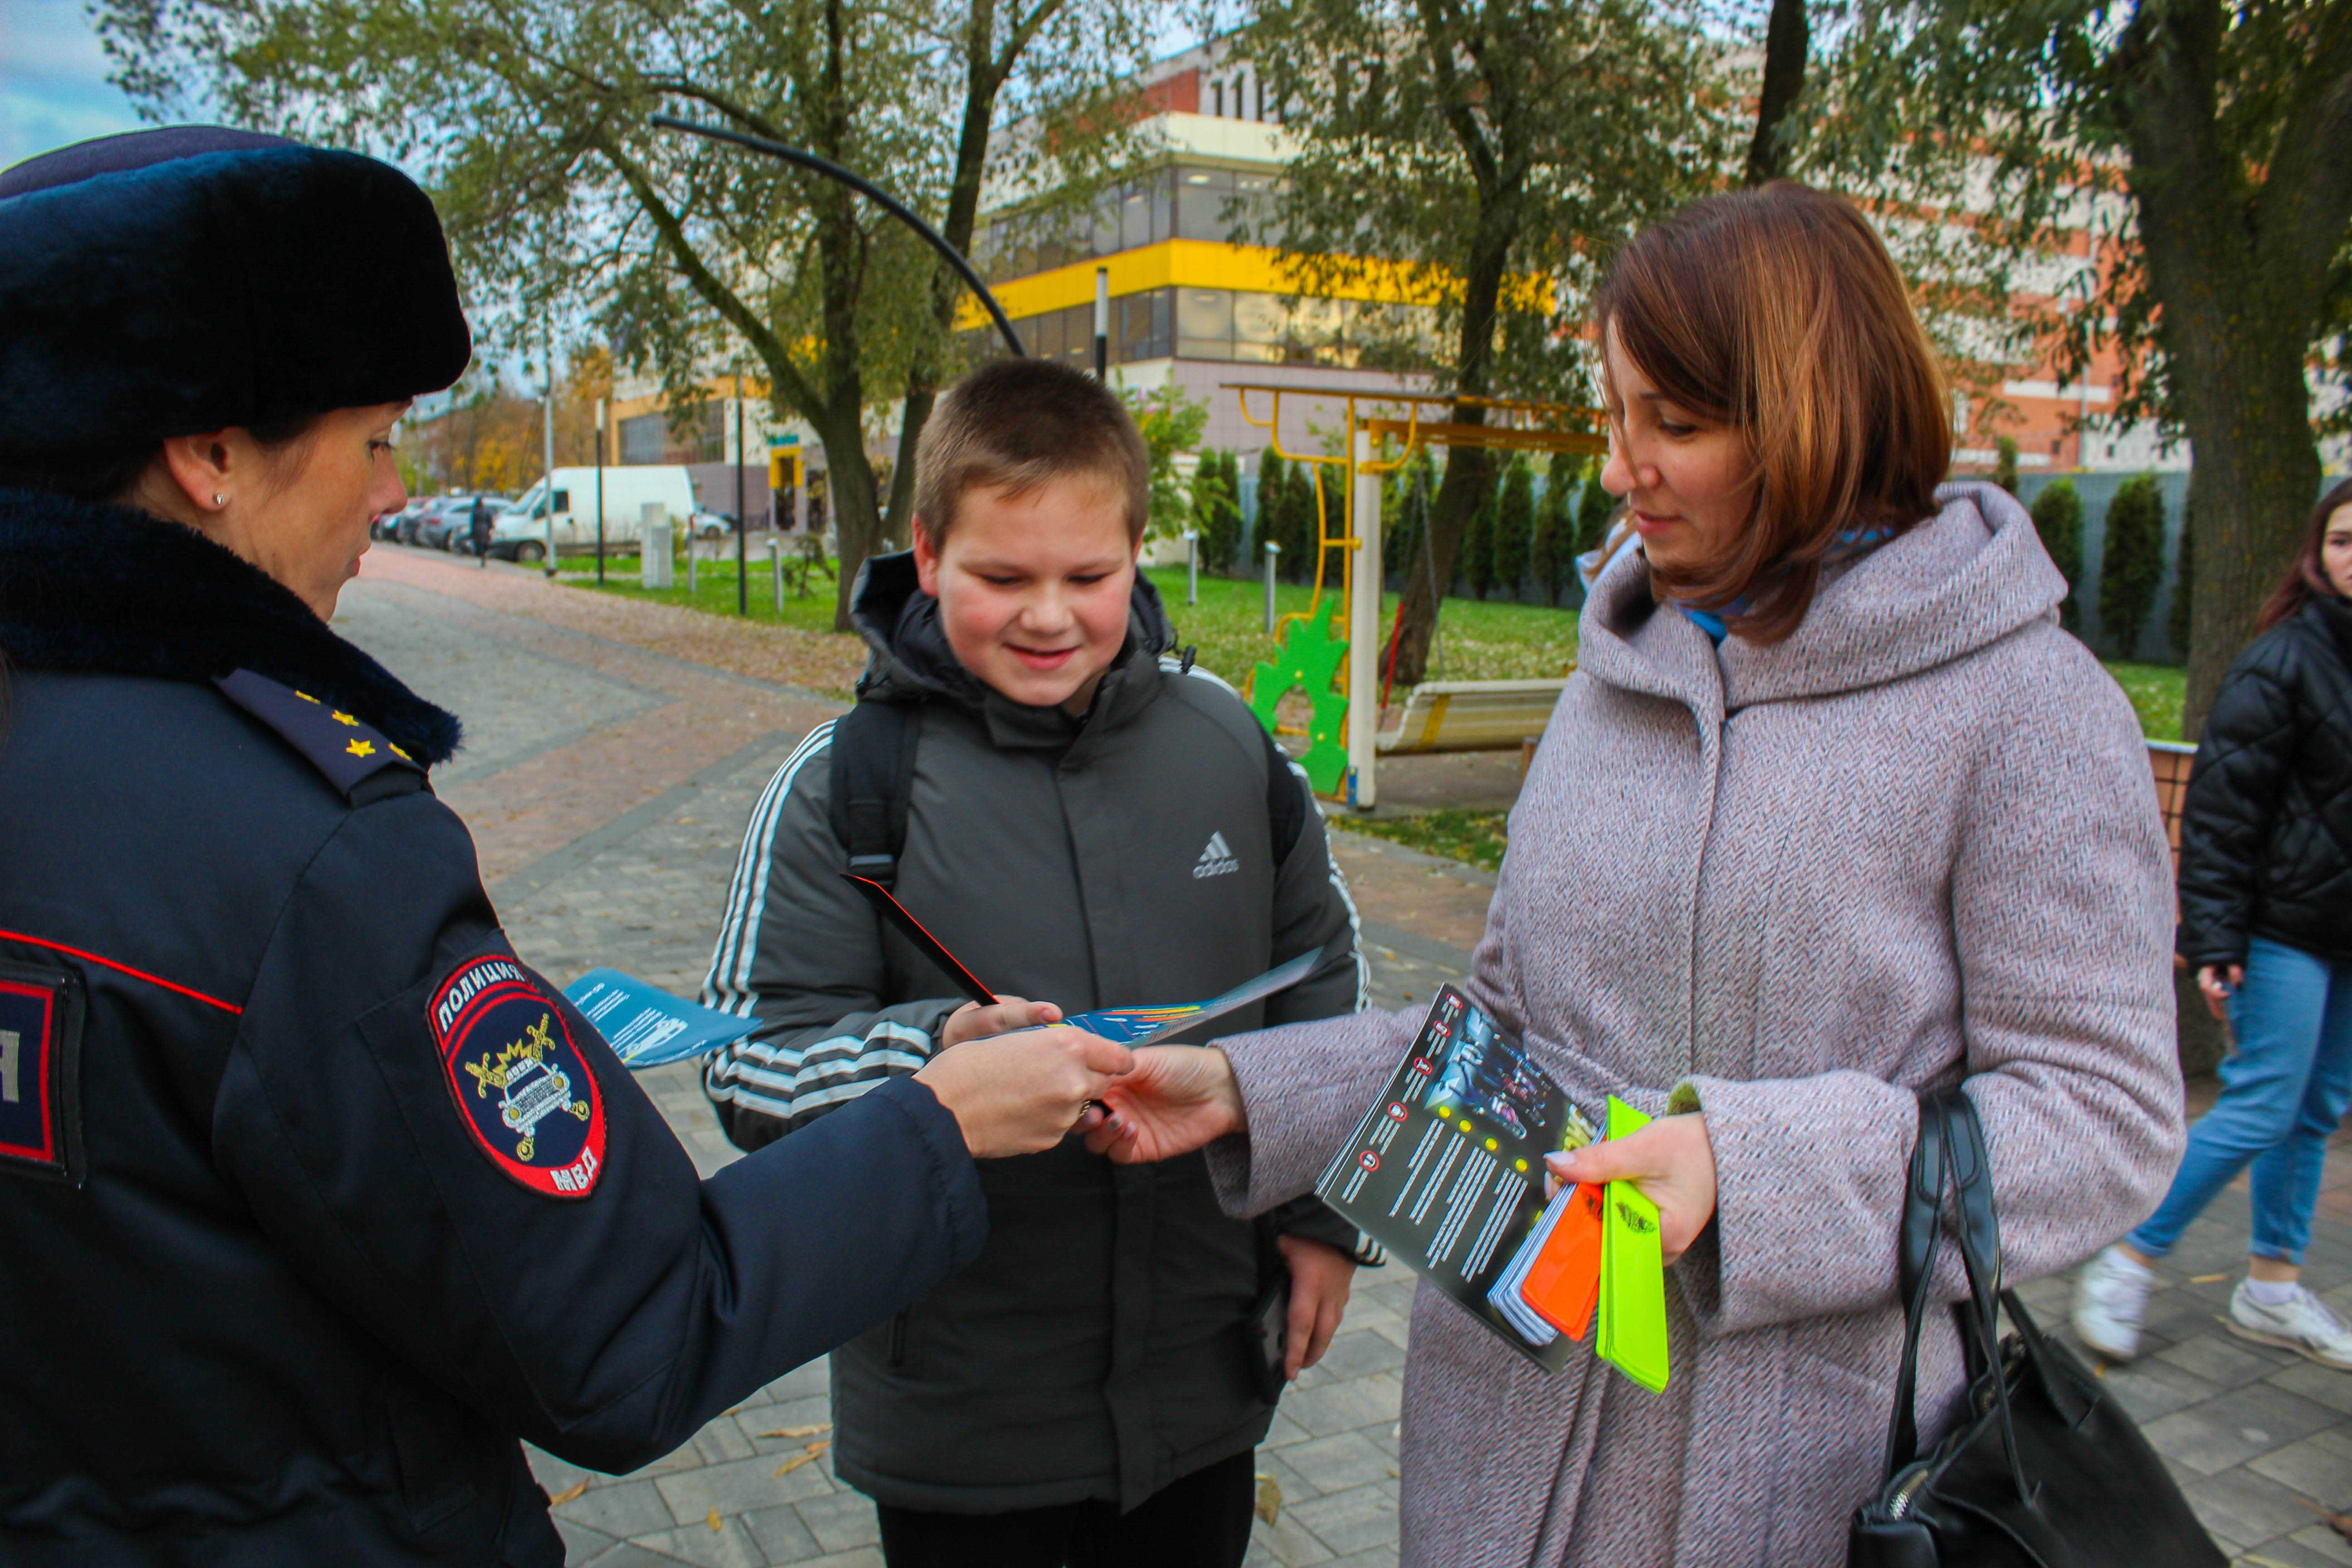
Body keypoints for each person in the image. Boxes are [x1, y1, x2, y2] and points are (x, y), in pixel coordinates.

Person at [0, 127, 1129, 1567]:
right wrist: (946, 1122)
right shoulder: (312, 854)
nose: (393, 496)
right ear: (212, 452)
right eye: (376, 438)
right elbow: (626, 1326)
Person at [1075, 182, 2185, 1567]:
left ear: (1816, 415)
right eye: (1615, 417)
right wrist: (1250, 1088)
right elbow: (1505, 1036)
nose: (1619, 470)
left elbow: (2105, 1115)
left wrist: (1746, 1168)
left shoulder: (2025, 709)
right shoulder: (1620, 677)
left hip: (1788, 1477)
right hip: (1506, 1442)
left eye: (1677, 424)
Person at [700, 356, 1369, 1568]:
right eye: (1003, 576)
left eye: (1090, 576)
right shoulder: (843, 787)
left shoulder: (1226, 744)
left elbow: (1322, 976)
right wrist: (933, 1063)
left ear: (1138, 550)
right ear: (927, 548)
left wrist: (1323, 1217)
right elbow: (748, 1072)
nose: (1049, 615)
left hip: (1203, 1385)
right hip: (962, 1417)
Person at [2073, 478, 2352, 1369]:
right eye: (2346, 540)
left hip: (2347, 937)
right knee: (2265, 1101)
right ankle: (2127, 1256)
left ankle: (2272, 1287)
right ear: (2318, 553)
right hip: (2284, 931)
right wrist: (2217, 939)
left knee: (2315, 1111)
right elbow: (2225, 814)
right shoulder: (2285, 660)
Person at [470, 491, 493, 565]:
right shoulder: (486, 511)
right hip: (485, 529)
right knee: (485, 544)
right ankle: (484, 556)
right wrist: (490, 529)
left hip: (477, 529)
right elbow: (490, 521)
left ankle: (481, 556)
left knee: (479, 545)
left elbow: (473, 522)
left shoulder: (475, 511)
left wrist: (472, 532)